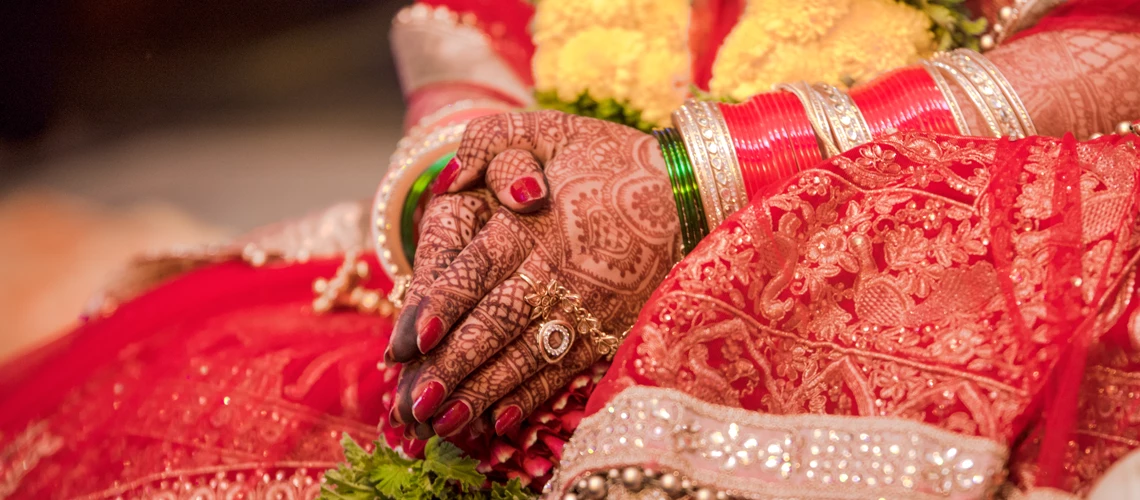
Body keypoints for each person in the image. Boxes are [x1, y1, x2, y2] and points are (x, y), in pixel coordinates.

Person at [2, 1, 1139, 499]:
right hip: (575, 202)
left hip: (943, 208)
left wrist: (684, 186)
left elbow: (1111, 52)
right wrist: (479, 211)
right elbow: (474, 47)